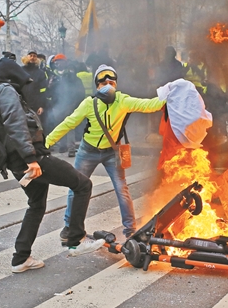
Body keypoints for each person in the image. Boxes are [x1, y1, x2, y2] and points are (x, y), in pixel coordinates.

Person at [0, 58, 105, 272]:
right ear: (13, 78)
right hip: (30, 159)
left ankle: (21, 258)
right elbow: (16, 123)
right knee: (82, 184)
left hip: (15, 160)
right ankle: (75, 240)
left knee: (36, 205)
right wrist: (31, 158)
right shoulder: (6, 91)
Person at [46, 65, 166, 239]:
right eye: (103, 82)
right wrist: (46, 142)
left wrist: (172, 94)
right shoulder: (89, 103)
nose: (108, 85)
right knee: (76, 187)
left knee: (122, 189)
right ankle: (68, 227)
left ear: (116, 85)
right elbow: (69, 123)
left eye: (111, 81)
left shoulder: (122, 100)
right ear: (97, 86)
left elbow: (148, 105)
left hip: (112, 152)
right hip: (87, 151)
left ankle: (130, 231)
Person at [21, 50, 48, 117]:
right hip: (22, 105)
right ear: (27, 57)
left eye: (34, 56)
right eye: (31, 56)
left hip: (35, 106)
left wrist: (41, 106)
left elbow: (43, 91)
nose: (32, 57)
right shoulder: (20, 70)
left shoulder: (40, 73)